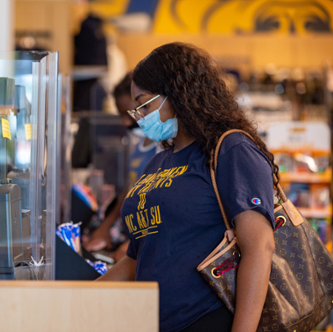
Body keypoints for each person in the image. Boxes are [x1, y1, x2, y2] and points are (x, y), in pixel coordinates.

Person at [98, 43, 277, 332]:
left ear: (177, 95)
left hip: (207, 319)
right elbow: (137, 258)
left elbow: (259, 246)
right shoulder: (157, 163)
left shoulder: (231, 149)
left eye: (144, 104)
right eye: (135, 109)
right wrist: (78, 295)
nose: (139, 117)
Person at [85, 73, 161, 262]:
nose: (127, 122)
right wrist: (105, 227)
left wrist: (135, 246)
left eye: (132, 113)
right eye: (123, 115)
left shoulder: (163, 146)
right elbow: (131, 190)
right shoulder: (138, 144)